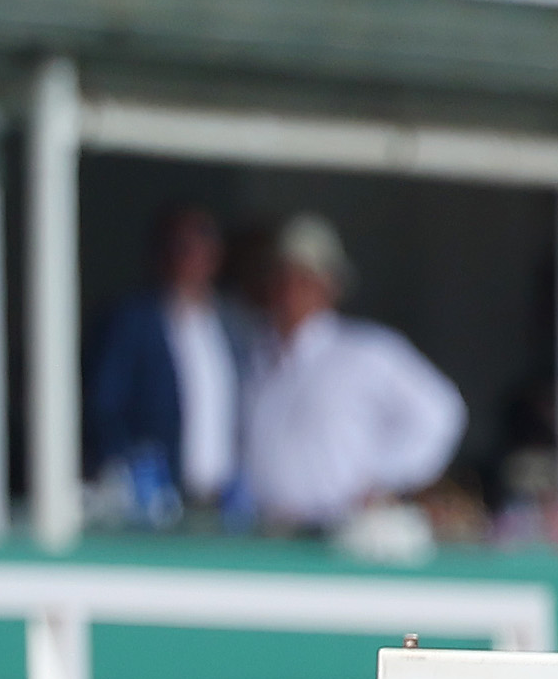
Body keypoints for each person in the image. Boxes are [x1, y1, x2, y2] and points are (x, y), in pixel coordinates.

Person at [233, 215, 466, 532]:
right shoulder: (253, 355)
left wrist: (379, 478)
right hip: (262, 530)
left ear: (329, 286)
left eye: (304, 279)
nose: (290, 291)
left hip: (338, 531)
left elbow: (442, 414)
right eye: (281, 278)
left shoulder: (366, 352)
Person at [85, 205, 246, 518]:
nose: (187, 258)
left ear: (215, 255)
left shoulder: (233, 324)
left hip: (222, 502)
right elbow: (103, 405)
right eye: (178, 247)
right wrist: (125, 468)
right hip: (155, 502)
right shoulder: (133, 320)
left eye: (198, 247)